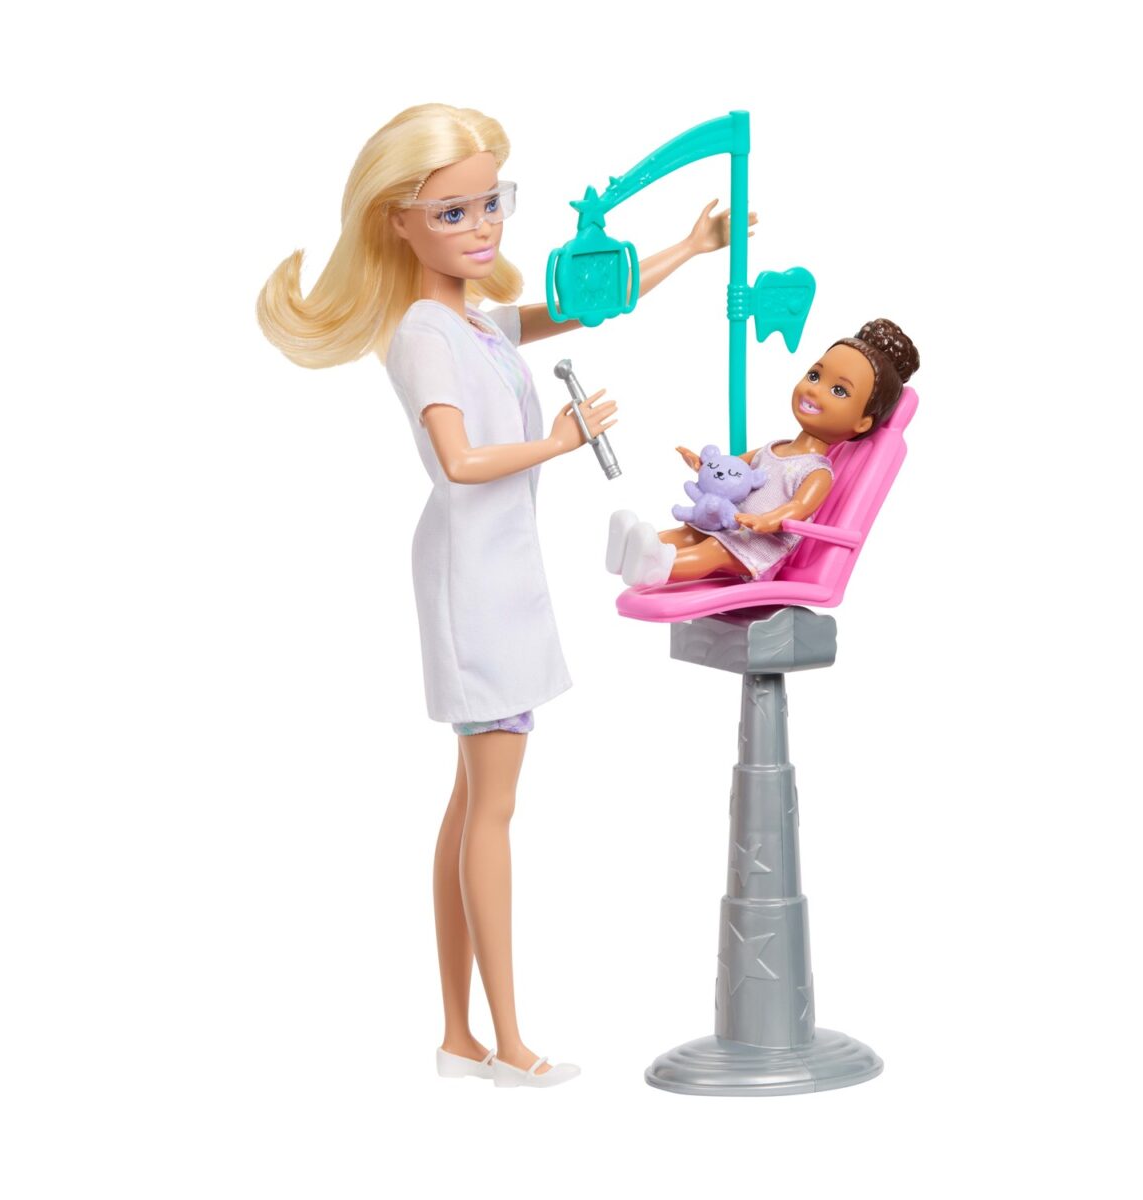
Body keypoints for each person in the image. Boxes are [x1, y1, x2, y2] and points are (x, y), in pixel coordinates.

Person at [257, 103, 748, 1087]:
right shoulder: (422, 336)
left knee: (471, 805)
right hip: (473, 582)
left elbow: (587, 306)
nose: (482, 227)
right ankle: (510, 1045)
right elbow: (457, 460)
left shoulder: (473, 321)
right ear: (398, 221)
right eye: (454, 212)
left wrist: (690, 250)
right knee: (492, 811)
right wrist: (558, 443)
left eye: (491, 203)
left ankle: (458, 1037)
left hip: (496, 570)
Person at [608, 318, 920, 587]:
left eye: (839, 390)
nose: (814, 389)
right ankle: (630, 549)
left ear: (862, 423)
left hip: (759, 548)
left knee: (713, 552)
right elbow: (734, 466)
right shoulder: (775, 447)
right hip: (731, 527)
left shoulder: (817, 471)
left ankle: (657, 566)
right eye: (814, 376)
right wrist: (704, 464)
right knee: (688, 534)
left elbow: (799, 506)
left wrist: (769, 520)